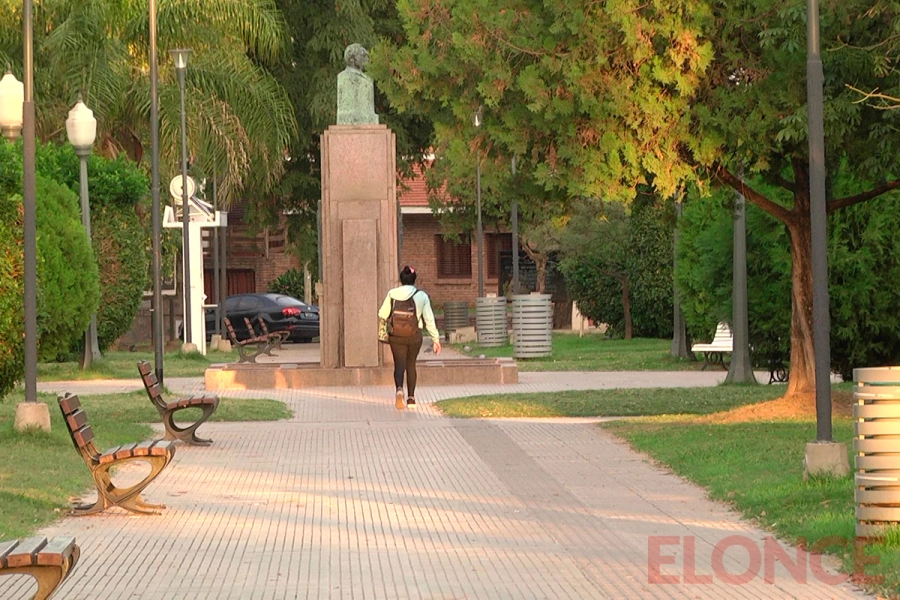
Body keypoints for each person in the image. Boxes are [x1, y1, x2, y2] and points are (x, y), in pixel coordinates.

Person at [378, 266, 442, 409]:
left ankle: (399, 390)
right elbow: (429, 319)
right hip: (414, 336)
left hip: (396, 336)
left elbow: (382, 314)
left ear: (401, 280)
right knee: (411, 364)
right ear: (414, 279)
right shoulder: (421, 296)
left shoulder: (392, 294)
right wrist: (435, 339)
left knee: (399, 365)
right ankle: (411, 398)